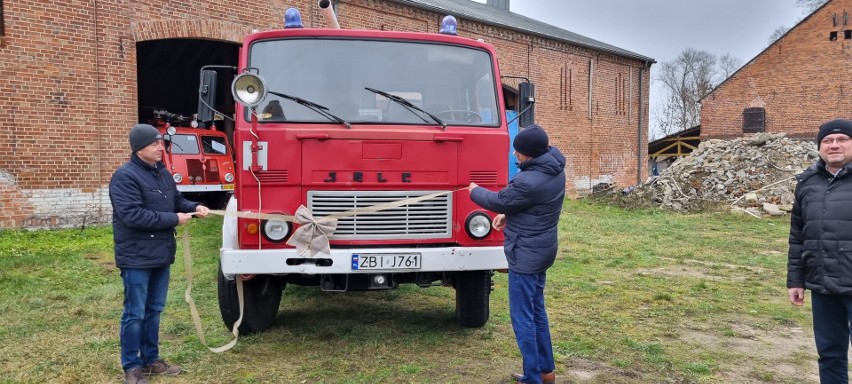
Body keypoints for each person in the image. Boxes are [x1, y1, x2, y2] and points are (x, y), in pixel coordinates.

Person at [109, 123, 210, 384]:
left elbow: (177, 201)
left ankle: (151, 360)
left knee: (154, 309)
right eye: (154, 144)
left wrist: (195, 206)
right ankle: (132, 366)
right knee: (135, 312)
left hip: (161, 254)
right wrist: (173, 219)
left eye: (160, 143)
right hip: (136, 257)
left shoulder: (162, 173)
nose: (160, 147)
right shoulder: (124, 177)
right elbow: (132, 215)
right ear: (139, 148)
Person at [468, 124, 566, 384]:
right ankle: (547, 372)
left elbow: (499, 200)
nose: (514, 155)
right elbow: (529, 206)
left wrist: (473, 190)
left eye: (519, 151)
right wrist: (508, 215)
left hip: (525, 253)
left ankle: (532, 378)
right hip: (542, 249)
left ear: (531, 153)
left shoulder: (528, 180)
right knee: (537, 311)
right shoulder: (554, 170)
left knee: (522, 316)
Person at [787, 118, 852, 384]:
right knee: (829, 355)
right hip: (823, 286)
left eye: (842, 139)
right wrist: (796, 280)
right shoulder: (807, 183)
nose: (834, 145)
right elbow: (798, 236)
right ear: (819, 147)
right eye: (827, 140)